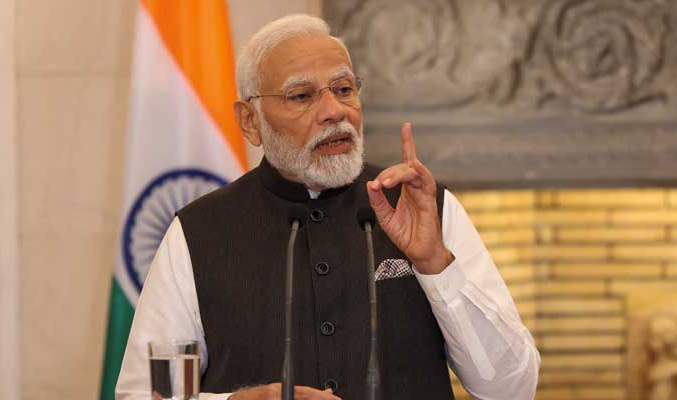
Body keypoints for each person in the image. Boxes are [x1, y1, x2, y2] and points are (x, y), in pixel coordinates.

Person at [116, 14, 540, 400]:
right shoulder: (199, 233)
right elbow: (143, 395)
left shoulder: (425, 207)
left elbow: (511, 389)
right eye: (301, 96)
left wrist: (436, 263)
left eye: (343, 89)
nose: (334, 112)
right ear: (250, 121)